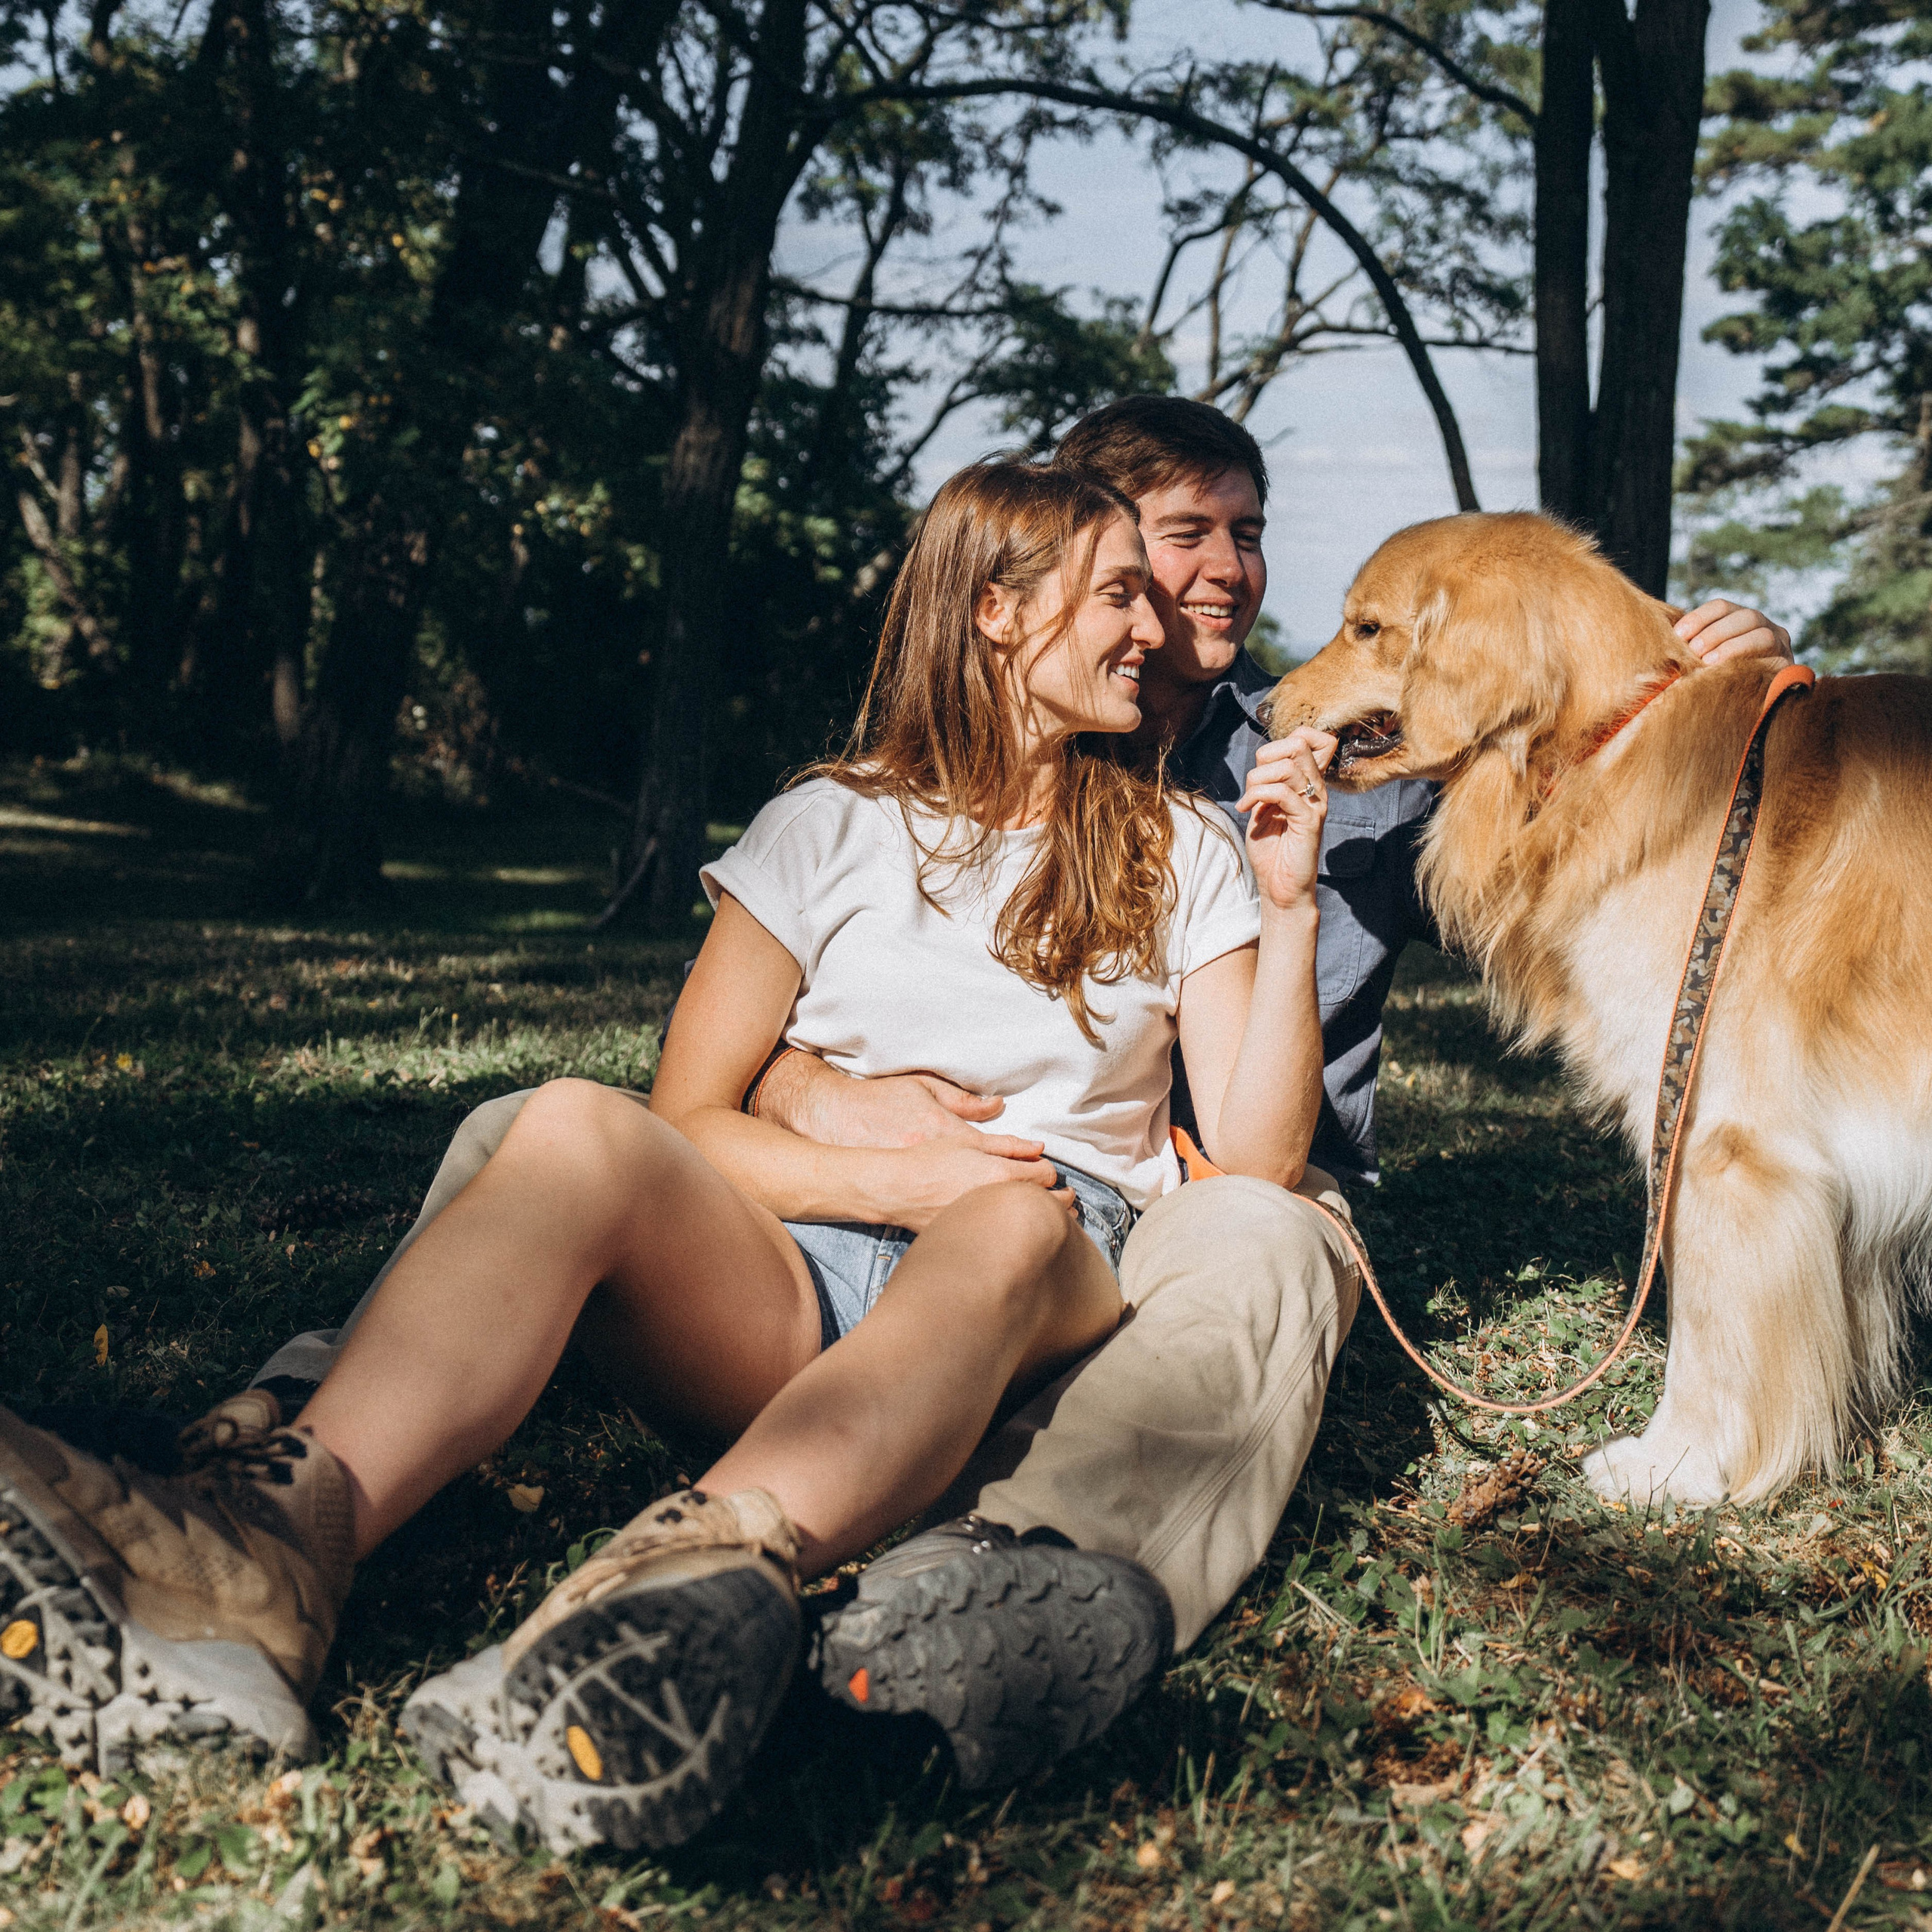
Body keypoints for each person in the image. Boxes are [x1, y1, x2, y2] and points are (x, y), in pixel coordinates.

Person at [236, 397, 1798, 1798]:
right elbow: (687, 1098)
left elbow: (1571, 737)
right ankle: (273, 1497)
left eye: (1241, 538)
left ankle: (977, 1586)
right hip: (839, 1243)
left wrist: (1677, 665)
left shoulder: (1316, 752)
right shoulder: (834, 817)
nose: (1213, 581)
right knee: (546, 1127)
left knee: (1236, 1230)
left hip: (1135, 1218)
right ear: (1021, 586)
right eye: (1159, 549)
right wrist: (832, 1113)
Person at [0, 460, 1340, 1857]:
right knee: (574, 1123)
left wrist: (1290, 906)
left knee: (1001, 1230)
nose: (1152, 624)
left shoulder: (1180, 846)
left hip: (1044, 1285)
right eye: (1117, 591)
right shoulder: (828, 824)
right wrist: (896, 1180)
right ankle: (262, 1558)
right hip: (802, 1282)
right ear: (997, 611)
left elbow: (1255, 1154)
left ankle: (649, 1604)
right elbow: (690, 1118)